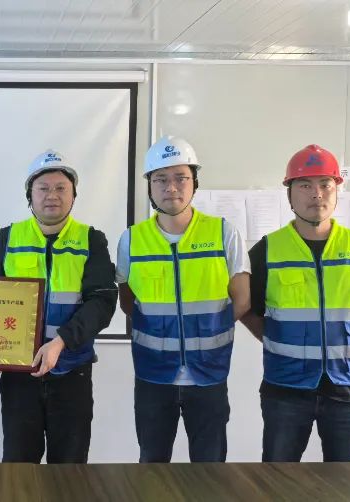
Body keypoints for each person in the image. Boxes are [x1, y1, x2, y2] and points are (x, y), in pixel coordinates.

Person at [240, 144, 350, 462]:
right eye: (305, 185)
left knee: (347, 479)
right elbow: (247, 310)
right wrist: (277, 341)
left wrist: (347, 340)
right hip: (285, 386)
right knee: (278, 476)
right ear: (289, 194)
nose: (317, 194)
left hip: (346, 386)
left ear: (337, 190)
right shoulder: (267, 250)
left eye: (325, 184)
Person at [117, 136, 249, 463]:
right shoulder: (132, 240)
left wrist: (208, 329)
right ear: (149, 186)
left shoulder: (223, 233)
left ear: (194, 182)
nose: (171, 187)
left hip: (209, 374)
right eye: (160, 179)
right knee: (152, 465)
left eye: (181, 177)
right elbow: (128, 302)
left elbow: (242, 299)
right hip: (152, 375)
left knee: (209, 468)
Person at [0, 149, 116, 464]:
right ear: (30, 194)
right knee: (18, 467)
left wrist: (61, 342)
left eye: (61, 188)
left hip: (72, 372)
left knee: (69, 469)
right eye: (43, 188)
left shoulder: (91, 239)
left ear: (73, 195)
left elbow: (102, 303)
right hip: (19, 375)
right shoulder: (8, 238)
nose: (52, 195)